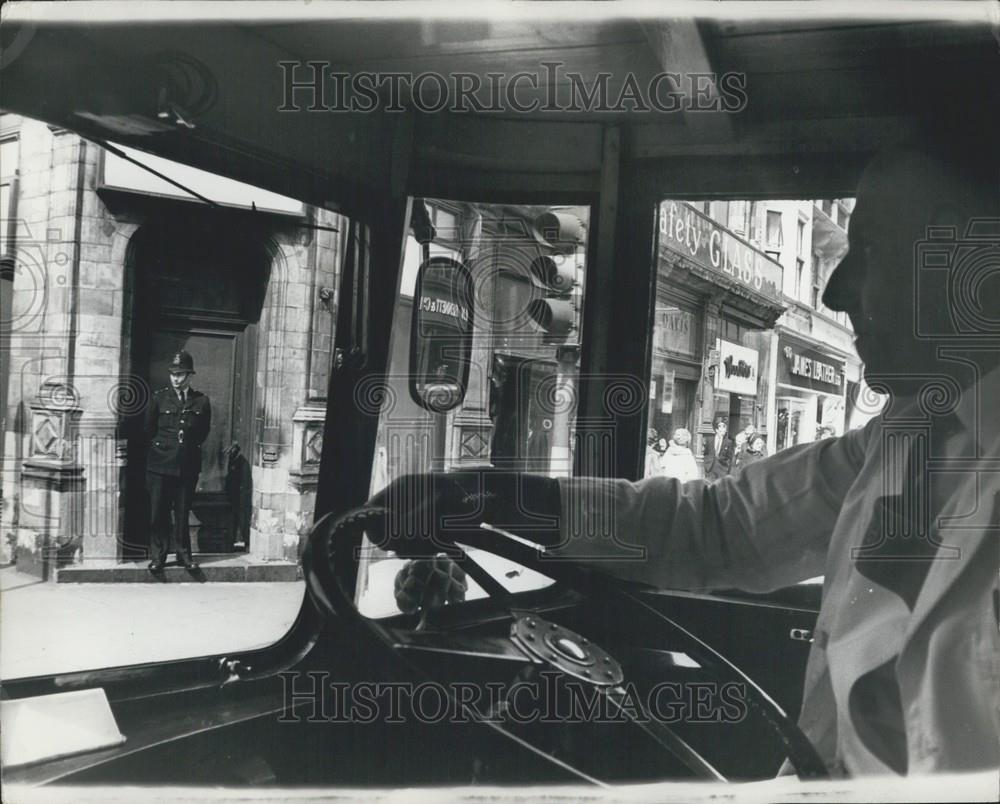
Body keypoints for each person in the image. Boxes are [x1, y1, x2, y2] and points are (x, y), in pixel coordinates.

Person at [365, 137, 999, 776]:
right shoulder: (908, 432)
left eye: (873, 249)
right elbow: (720, 527)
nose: (837, 293)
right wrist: (487, 495)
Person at [144, 350, 212, 572]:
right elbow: (148, 430)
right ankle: (158, 556)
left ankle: (184, 555)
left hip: (186, 465)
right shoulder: (158, 398)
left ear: (190, 375)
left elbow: (202, 433)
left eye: (181, 374)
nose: (175, 378)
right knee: (157, 513)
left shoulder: (201, 401)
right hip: (159, 465)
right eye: (173, 373)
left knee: (182, 512)